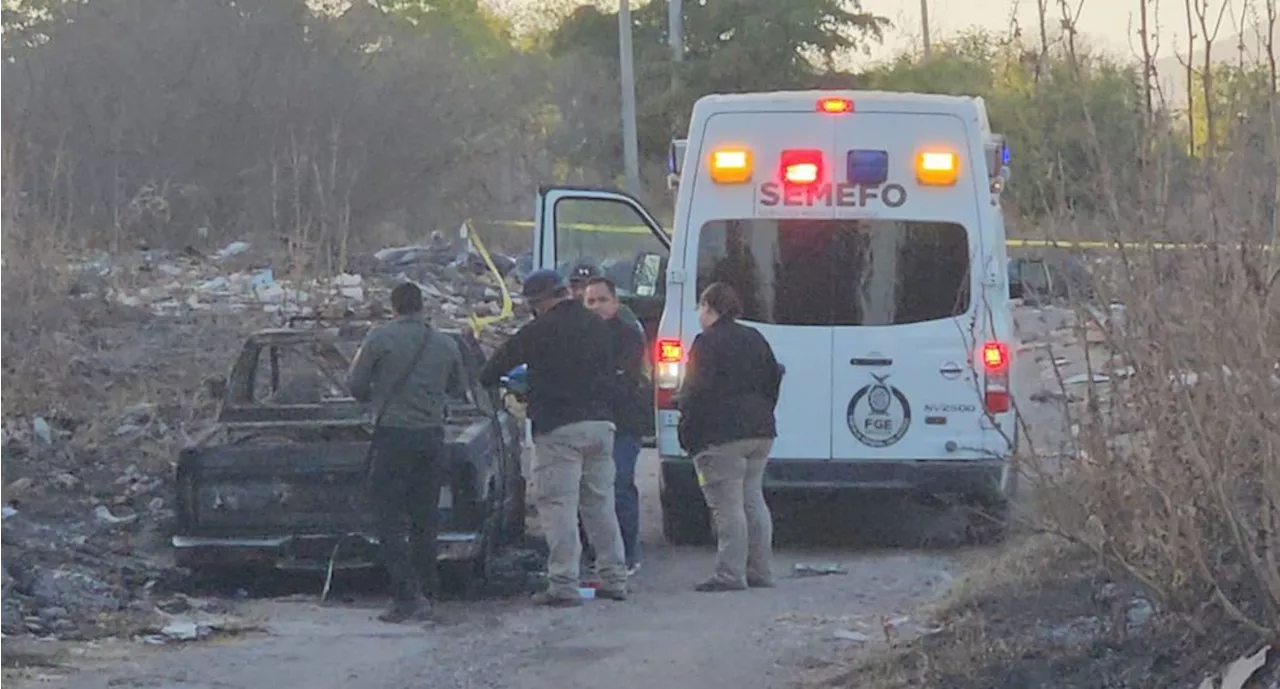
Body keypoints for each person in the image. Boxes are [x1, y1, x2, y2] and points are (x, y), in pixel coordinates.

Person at [479, 269, 629, 607]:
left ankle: (563, 583)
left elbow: (491, 371)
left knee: (557, 504)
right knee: (599, 504)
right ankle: (614, 577)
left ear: (540, 302)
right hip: (602, 425)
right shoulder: (599, 327)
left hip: (559, 428)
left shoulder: (539, 330)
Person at [348, 282, 467, 623]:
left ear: (394, 307)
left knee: (387, 516)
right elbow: (458, 388)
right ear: (422, 306)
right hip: (432, 438)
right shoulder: (445, 342)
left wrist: (380, 393)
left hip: (394, 437)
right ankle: (428, 589)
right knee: (424, 518)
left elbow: (356, 387)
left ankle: (405, 596)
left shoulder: (379, 339)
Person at [677, 282, 784, 593]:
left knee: (727, 506)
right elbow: (773, 377)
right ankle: (760, 570)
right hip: (760, 430)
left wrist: (687, 429)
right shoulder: (755, 337)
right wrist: (763, 411)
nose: (699, 314)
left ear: (710, 307)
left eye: (701, 307)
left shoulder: (706, 343)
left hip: (721, 434)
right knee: (753, 500)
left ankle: (729, 574)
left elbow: (696, 391)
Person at [583, 276, 646, 574]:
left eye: (602, 300)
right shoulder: (576, 337)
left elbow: (624, 379)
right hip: (588, 423)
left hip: (624, 424)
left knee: (619, 484)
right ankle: (594, 554)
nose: (596, 306)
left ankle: (628, 553)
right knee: (590, 490)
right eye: (590, 301)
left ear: (615, 302)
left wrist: (595, 384)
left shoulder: (629, 335)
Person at [568, 262, 643, 335]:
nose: (579, 292)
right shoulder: (565, 313)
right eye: (575, 287)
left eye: (584, 286)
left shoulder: (622, 313)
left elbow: (637, 338)